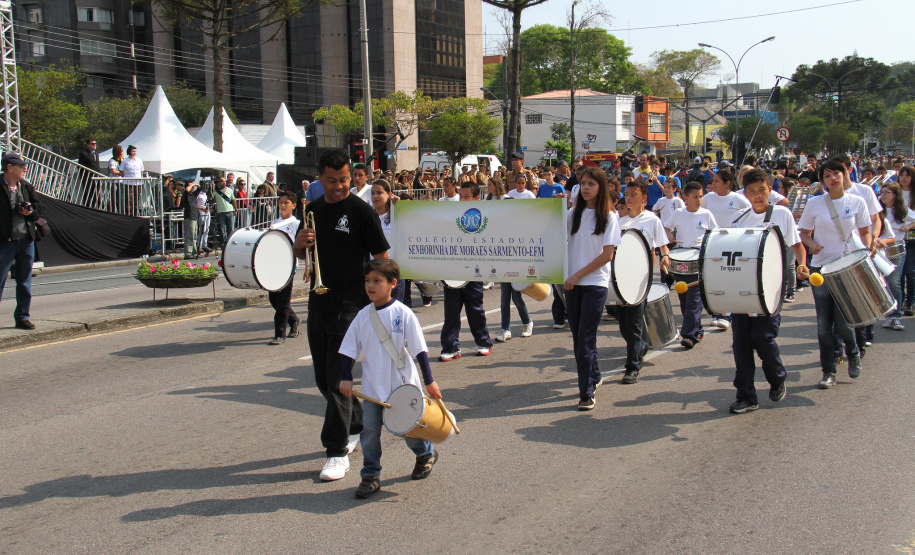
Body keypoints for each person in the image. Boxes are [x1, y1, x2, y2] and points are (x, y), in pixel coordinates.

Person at [292, 148, 390, 483]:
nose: (338, 186)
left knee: (336, 379)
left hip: (350, 306)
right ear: (320, 178)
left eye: (344, 180)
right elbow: (303, 255)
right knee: (323, 378)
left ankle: (336, 452)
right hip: (319, 301)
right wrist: (299, 245)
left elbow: (382, 256)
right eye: (332, 181)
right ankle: (357, 424)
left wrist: (379, 293)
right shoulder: (313, 210)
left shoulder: (361, 211)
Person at [338, 259, 442, 499]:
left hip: (402, 386)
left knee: (406, 431)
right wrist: (346, 378)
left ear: (393, 283)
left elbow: (419, 350)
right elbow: (347, 350)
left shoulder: (402, 313)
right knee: (370, 431)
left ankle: (425, 453)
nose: (370, 286)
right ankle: (370, 475)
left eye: (377, 281)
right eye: (367, 281)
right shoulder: (363, 316)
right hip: (374, 386)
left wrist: (429, 381)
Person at [726, 169, 809, 414]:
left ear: (769, 188)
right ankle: (746, 396)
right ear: (745, 193)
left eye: (761, 190)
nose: (757, 196)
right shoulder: (739, 219)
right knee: (740, 344)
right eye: (751, 192)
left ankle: (778, 377)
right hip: (743, 289)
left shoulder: (781, 214)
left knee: (763, 338)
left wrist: (802, 264)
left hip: (771, 288)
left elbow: (797, 245)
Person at [797, 158, 871, 389]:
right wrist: (812, 245)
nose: (833, 178)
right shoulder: (815, 203)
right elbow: (804, 232)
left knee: (843, 322)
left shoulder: (857, 201)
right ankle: (828, 371)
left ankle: (853, 351)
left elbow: (866, 232)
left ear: (846, 174)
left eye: (836, 173)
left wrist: (866, 252)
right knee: (822, 324)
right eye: (827, 176)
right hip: (821, 269)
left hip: (847, 268)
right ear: (823, 182)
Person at [565, 167, 621, 410]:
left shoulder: (609, 217)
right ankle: (594, 375)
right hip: (571, 285)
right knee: (578, 340)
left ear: (601, 187)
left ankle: (586, 392)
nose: (585, 188)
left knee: (586, 338)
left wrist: (577, 274)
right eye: (583, 183)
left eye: (591, 183)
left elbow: (607, 255)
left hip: (594, 284)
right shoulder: (571, 215)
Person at [616, 180, 670, 384]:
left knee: (634, 322)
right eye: (626, 194)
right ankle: (639, 346)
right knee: (623, 324)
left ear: (644, 198)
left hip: (641, 277)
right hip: (620, 278)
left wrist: (665, 255)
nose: (628, 198)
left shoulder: (651, 220)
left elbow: (662, 245)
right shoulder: (619, 222)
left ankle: (633, 367)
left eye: (633, 194)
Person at [439, 182, 494, 361]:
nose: (462, 200)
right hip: (453, 271)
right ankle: (450, 346)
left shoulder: (484, 217)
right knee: (451, 311)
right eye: (460, 196)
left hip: (474, 272)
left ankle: (484, 342)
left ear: (477, 198)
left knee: (475, 309)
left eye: (466, 196)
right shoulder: (450, 216)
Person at [663, 181, 717, 349]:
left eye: (701, 196)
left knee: (694, 298)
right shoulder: (679, 213)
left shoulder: (706, 214)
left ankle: (688, 335)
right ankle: (697, 329)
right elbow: (665, 228)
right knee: (685, 299)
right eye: (695, 197)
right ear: (685, 198)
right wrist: (670, 234)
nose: (699, 200)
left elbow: (714, 233)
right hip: (681, 259)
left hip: (698, 259)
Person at [702, 169, 751, 330]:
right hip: (712, 242)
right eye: (713, 181)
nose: (713, 184)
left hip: (731, 243)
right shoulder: (708, 198)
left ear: (727, 183)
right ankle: (717, 312)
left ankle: (727, 314)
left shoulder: (738, 199)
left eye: (717, 181)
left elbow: (751, 214)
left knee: (728, 276)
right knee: (713, 277)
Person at [0, 153, 43, 330]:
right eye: (21, 165)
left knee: (24, 282)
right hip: (4, 242)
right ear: (10, 167)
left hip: (26, 241)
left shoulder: (26, 186)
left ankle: (22, 317)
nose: (25, 169)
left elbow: (40, 209)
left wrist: (30, 212)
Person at [878, 183, 915, 331]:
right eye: (882, 192)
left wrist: (908, 226)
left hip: (897, 249)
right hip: (880, 250)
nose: (884, 195)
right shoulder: (878, 210)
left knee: (894, 283)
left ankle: (897, 316)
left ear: (895, 194)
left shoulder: (902, 210)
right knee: (884, 283)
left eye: (887, 192)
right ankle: (889, 315)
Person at [267, 191, 302, 345]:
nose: (282, 205)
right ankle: (294, 319)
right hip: (274, 265)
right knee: (273, 299)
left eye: (286, 203)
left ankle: (280, 333)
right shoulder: (274, 223)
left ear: (293, 205)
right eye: (280, 202)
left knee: (283, 301)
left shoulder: (296, 224)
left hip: (288, 266)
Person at [370, 179, 405, 303]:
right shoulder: (368, 216)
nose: (375, 196)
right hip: (373, 272)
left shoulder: (396, 215)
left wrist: (400, 208)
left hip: (393, 272)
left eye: (379, 193)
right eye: (373, 193)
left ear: (389, 194)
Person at [897, 166, 915, 315]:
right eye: (901, 175)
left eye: (907, 175)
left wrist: (909, 226)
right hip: (896, 237)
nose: (904, 178)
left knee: (910, 270)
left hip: (912, 237)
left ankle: (910, 302)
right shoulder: (894, 192)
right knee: (899, 273)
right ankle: (900, 302)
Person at [213, 177, 235, 249]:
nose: (223, 183)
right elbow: (212, 199)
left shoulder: (230, 190)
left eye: (224, 181)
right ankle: (223, 244)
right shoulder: (216, 192)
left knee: (230, 229)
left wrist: (235, 209)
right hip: (221, 212)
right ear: (219, 182)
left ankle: (229, 243)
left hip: (230, 211)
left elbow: (233, 200)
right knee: (222, 229)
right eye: (222, 181)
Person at [182, 181, 199, 259]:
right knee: (190, 235)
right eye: (191, 187)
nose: (192, 188)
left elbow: (200, 188)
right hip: (189, 216)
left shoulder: (193, 195)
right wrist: (191, 185)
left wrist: (195, 184)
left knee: (194, 236)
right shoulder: (186, 195)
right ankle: (188, 252)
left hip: (195, 216)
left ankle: (194, 252)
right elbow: (187, 190)